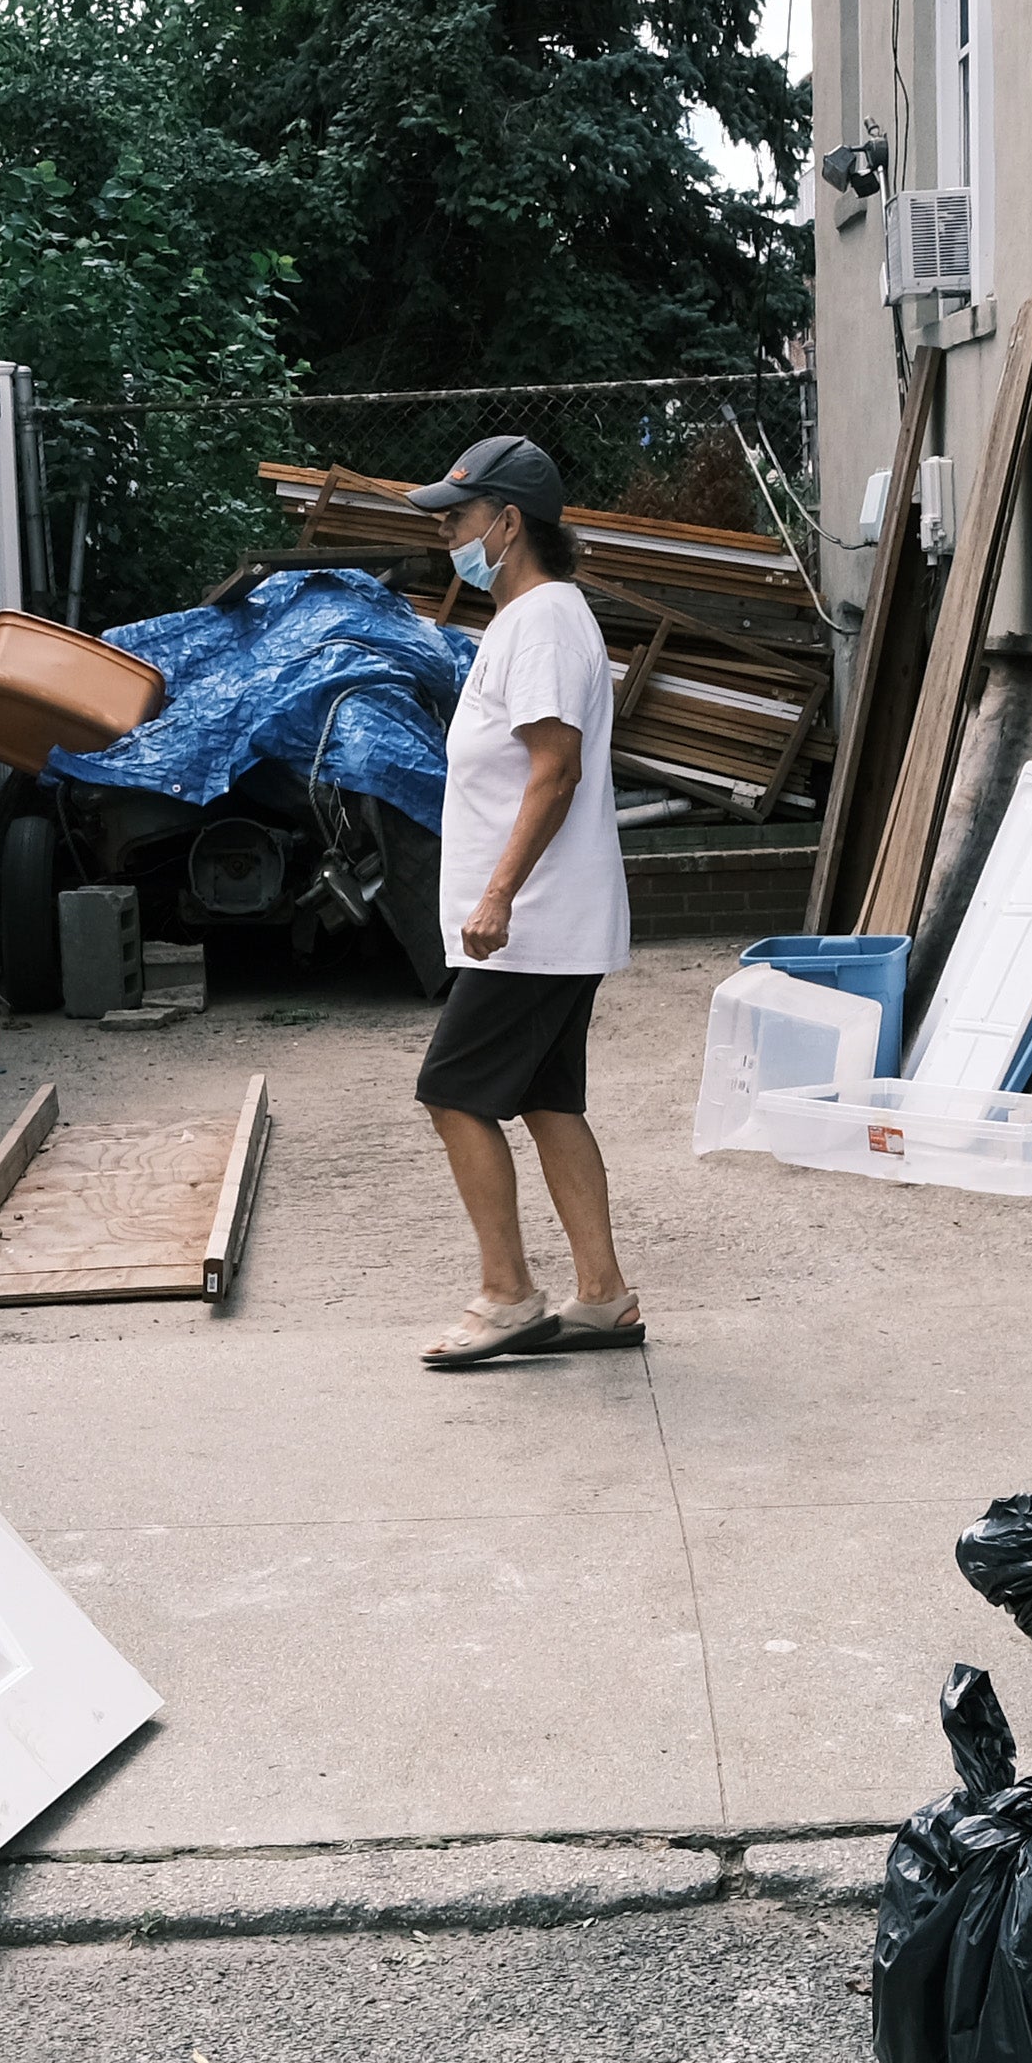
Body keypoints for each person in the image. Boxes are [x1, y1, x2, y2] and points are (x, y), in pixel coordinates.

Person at [401, 433, 640, 1370]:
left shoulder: (540, 621)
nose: (447, 536)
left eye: (458, 519)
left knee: (453, 1092)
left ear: (508, 523)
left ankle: (508, 1294)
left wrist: (498, 897)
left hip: (532, 927)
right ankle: (603, 1298)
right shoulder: (532, 618)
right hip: (548, 924)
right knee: (546, 1100)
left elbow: (556, 769)